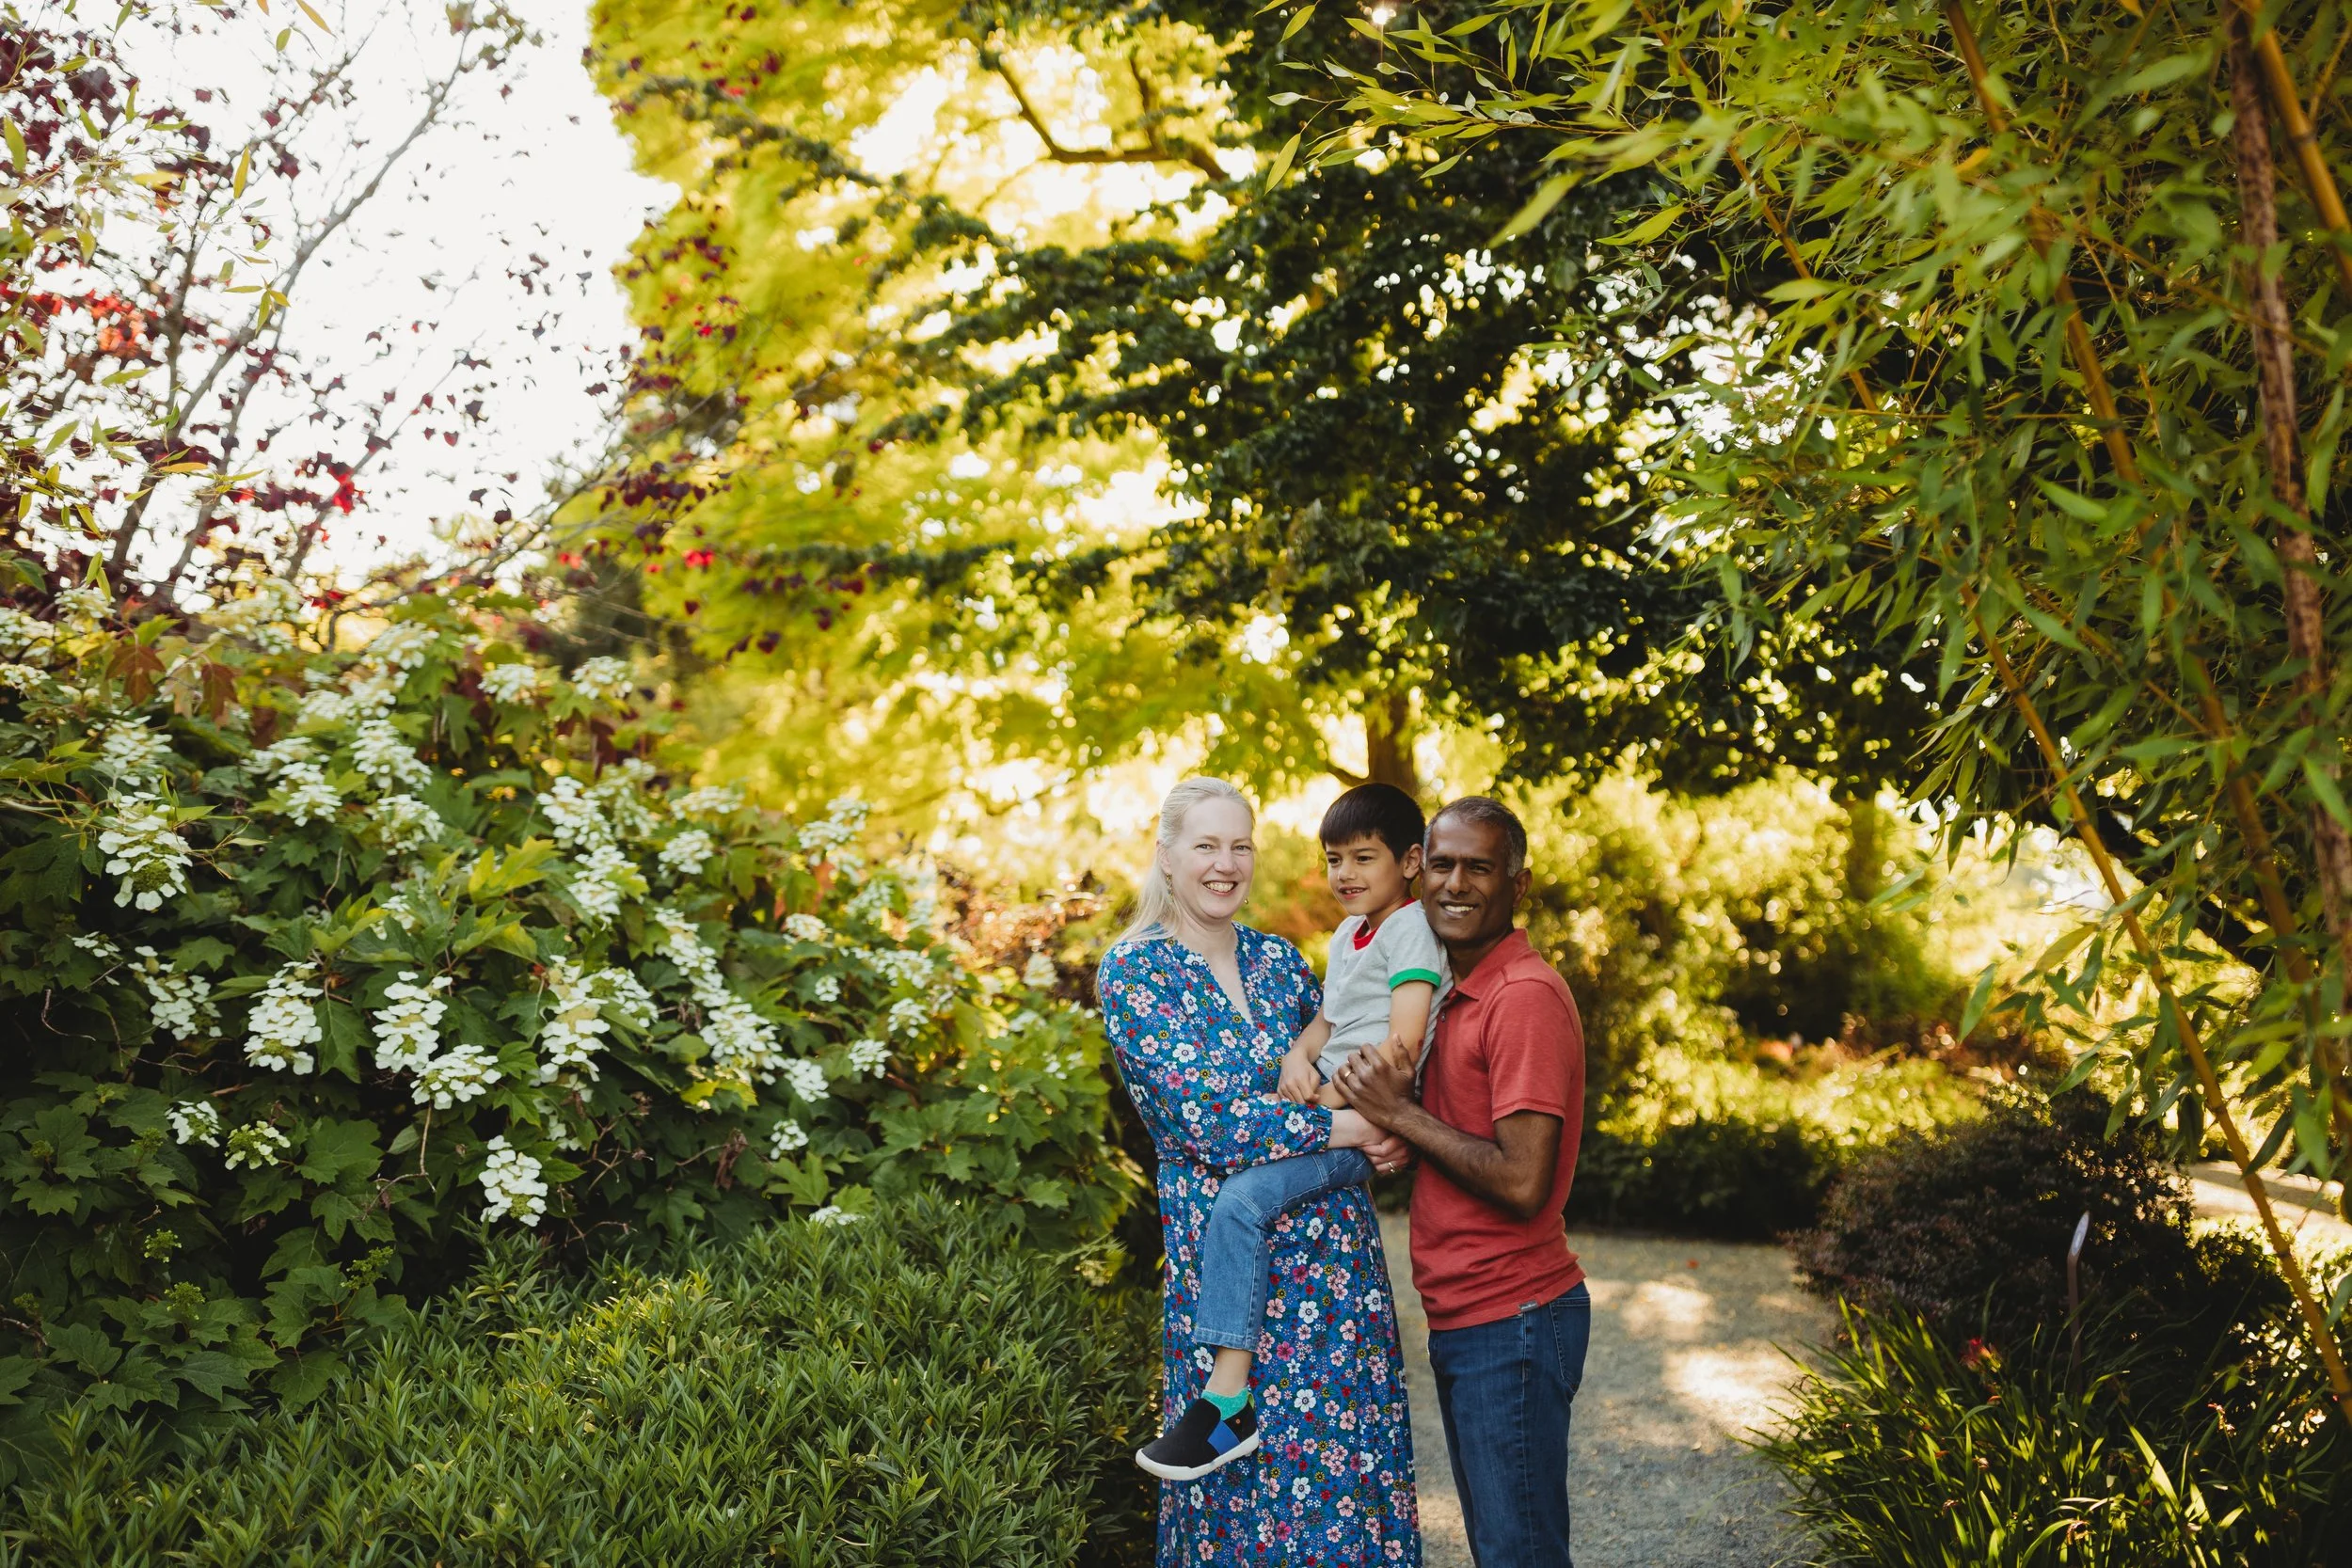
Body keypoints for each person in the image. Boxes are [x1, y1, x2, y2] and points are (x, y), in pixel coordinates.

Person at [1097, 778, 1422, 1565]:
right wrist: (1358, 1125)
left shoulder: (1281, 961)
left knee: (1346, 1496)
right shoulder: (1136, 972)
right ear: (1167, 856)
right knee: (1239, 1511)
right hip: (1232, 1285)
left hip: (1337, 1278)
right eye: (1206, 845)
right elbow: (1208, 1124)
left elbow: (1358, 1060)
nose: (1225, 863)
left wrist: (1391, 1123)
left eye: (1240, 845)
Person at [1335, 796, 1588, 1568]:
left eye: (1478, 867)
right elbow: (1459, 1132)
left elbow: (1521, 1180)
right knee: (1502, 1547)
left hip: (1511, 1313)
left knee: (1519, 1552)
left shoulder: (1523, 998)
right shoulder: (1453, 990)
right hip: (1470, 1314)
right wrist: (1398, 1138)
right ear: (1419, 867)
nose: (1455, 883)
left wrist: (1400, 1117)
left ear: (1519, 883)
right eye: (1441, 863)